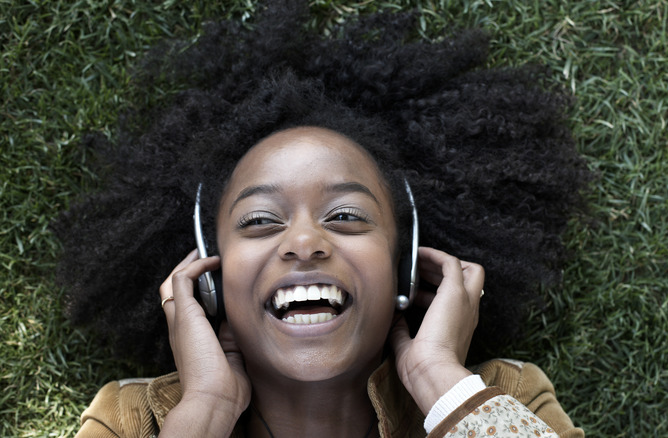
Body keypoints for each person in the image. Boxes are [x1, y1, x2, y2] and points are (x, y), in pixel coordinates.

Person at [56, 2, 590, 436]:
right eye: (261, 220)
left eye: (345, 215)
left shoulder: (507, 399)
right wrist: (206, 409)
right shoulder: (132, 419)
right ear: (209, 276)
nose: (306, 241)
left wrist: (438, 380)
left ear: (406, 265)